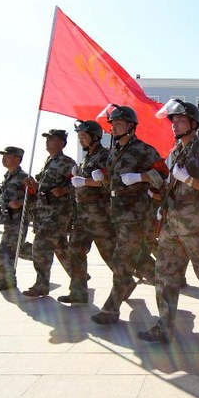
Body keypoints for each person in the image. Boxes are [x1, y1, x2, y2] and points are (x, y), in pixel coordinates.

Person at [137, 99, 199, 343]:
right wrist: (161, 201)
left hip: (196, 227)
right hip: (173, 226)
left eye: (181, 120)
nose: (175, 125)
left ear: (194, 124)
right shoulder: (178, 152)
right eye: (174, 121)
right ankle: (164, 326)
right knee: (164, 273)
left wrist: (190, 180)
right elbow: (175, 187)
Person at [90, 104, 169, 325]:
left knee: (121, 259)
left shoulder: (144, 150)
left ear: (131, 126)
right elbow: (111, 180)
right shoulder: (114, 151)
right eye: (112, 124)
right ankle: (165, 281)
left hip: (136, 214)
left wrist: (141, 177)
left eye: (118, 123)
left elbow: (163, 174)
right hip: (117, 213)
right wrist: (102, 177)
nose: (113, 128)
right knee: (139, 259)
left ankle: (111, 309)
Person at [57, 120, 115, 304]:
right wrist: (78, 176)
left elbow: (109, 181)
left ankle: (125, 281)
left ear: (95, 136)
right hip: (83, 215)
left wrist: (85, 181)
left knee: (110, 254)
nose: (80, 140)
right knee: (75, 249)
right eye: (79, 137)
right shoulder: (87, 157)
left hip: (100, 215)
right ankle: (78, 291)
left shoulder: (105, 155)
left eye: (83, 136)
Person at [22, 129, 76, 297]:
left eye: (52, 139)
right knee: (61, 249)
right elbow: (42, 186)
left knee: (40, 246)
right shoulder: (49, 162)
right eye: (47, 139)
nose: (48, 142)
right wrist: (33, 184)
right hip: (44, 211)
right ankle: (79, 277)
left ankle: (41, 284)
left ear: (61, 143)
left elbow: (78, 183)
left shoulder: (68, 162)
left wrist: (64, 189)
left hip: (58, 213)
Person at [0, 147, 29, 291]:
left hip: (19, 220)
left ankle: (7, 282)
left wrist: (19, 203)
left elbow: (35, 197)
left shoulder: (23, 177)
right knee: (10, 250)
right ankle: (6, 282)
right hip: (9, 220)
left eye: (7, 156)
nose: (4, 158)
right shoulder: (8, 176)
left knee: (8, 251)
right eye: (3, 156)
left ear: (17, 159)